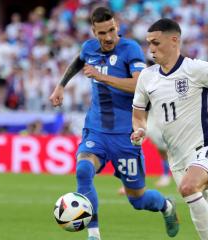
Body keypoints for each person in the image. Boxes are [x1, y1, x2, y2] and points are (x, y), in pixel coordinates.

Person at [49, 8, 178, 240]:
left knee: (138, 199)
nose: (108, 37)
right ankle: (94, 234)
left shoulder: (130, 49)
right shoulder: (89, 48)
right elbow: (79, 61)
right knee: (83, 169)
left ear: (116, 26)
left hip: (126, 135)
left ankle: (166, 206)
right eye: (102, 33)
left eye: (111, 30)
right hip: (96, 129)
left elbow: (139, 86)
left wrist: (101, 76)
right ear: (93, 31)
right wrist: (61, 85)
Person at [131, 18, 208, 240]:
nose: (151, 49)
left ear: (174, 40)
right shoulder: (147, 78)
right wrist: (139, 130)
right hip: (178, 162)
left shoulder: (197, 69)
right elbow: (139, 116)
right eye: (149, 43)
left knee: (188, 188)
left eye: (156, 43)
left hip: (205, 149)